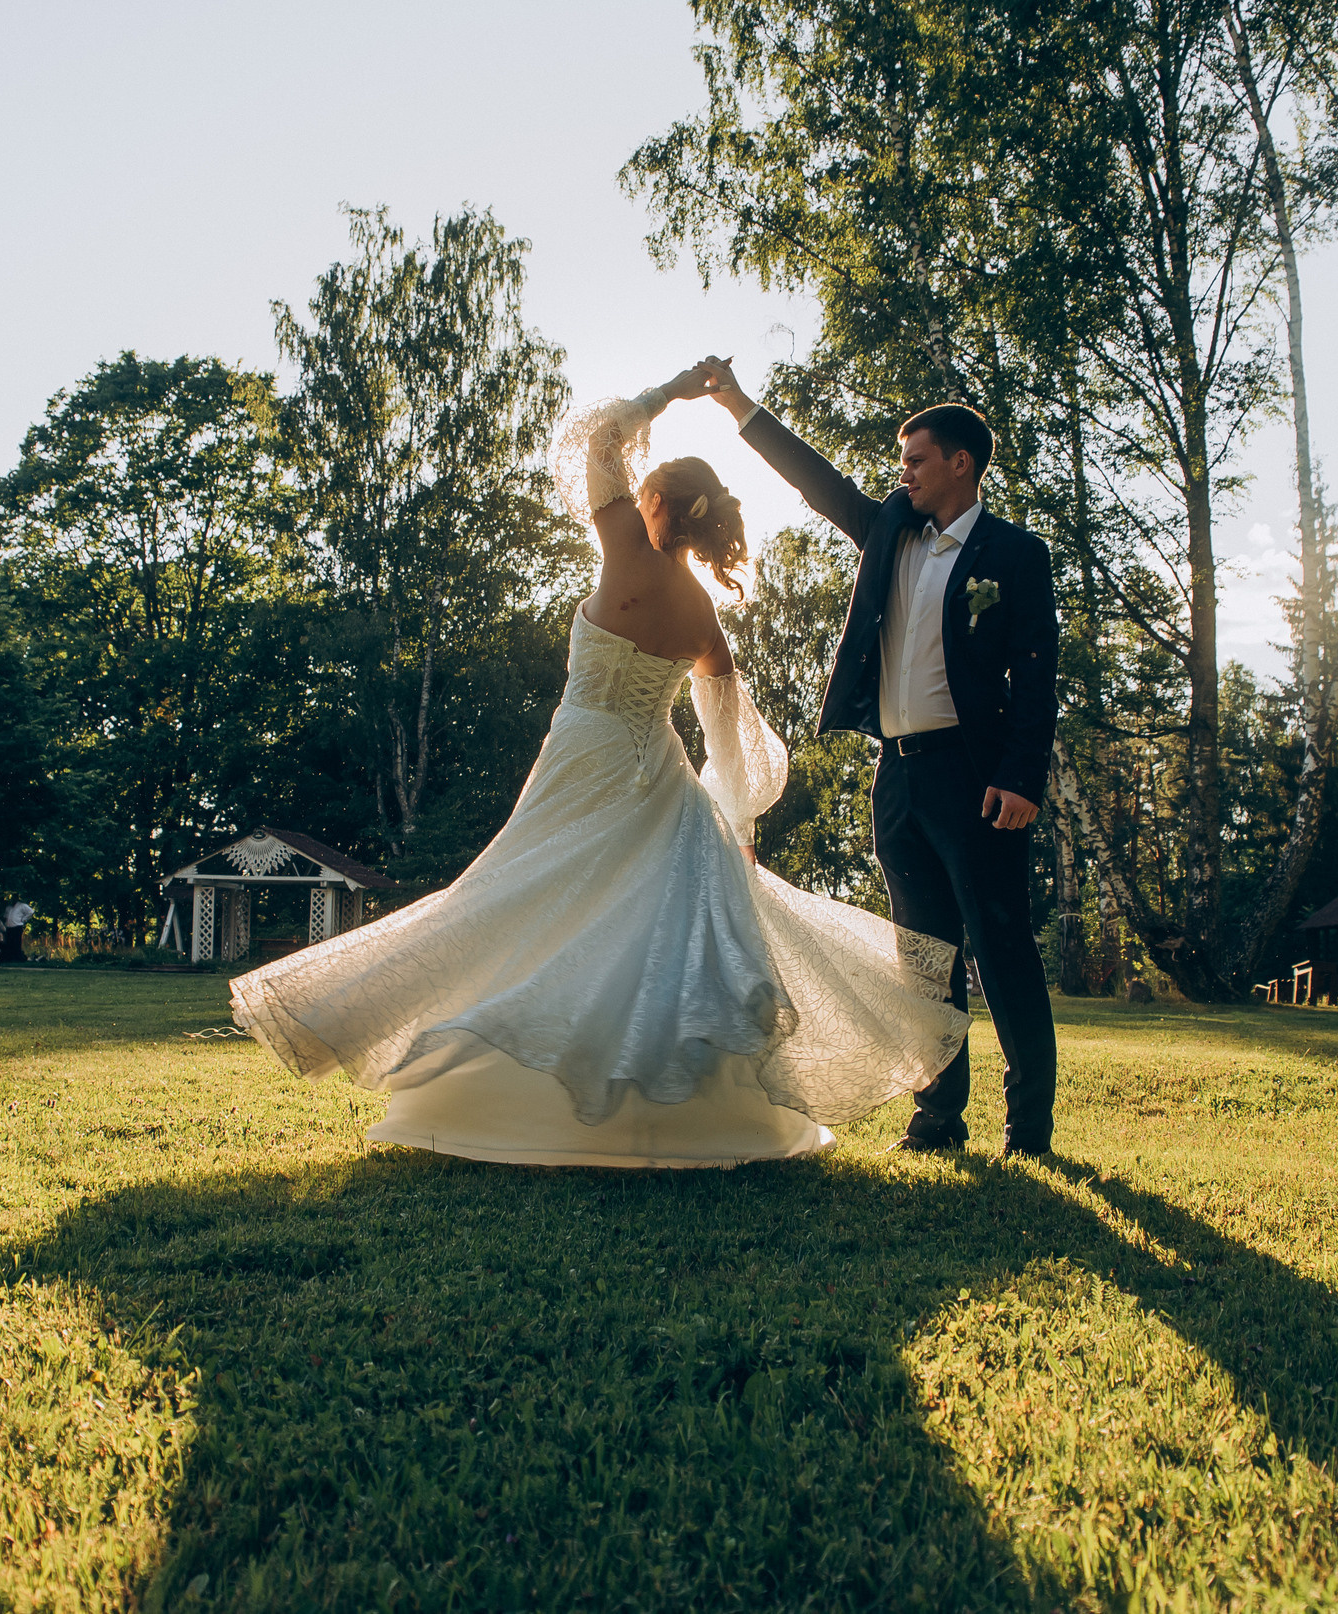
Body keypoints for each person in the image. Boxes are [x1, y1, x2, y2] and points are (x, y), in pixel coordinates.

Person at [230, 368, 969, 1167]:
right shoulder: (703, 617)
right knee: (643, 927)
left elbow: (598, 437)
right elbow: (731, 739)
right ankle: (683, 1115)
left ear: (657, 507)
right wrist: (736, 823)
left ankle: (501, 1083)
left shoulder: (622, 549)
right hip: (657, 771)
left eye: (646, 492)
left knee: (521, 900)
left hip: (582, 753)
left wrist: (673, 392)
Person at [692, 357, 1061, 1156]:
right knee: (923, 961)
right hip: (898, 775)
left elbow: (1038, 677)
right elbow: (817, 482)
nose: (906, 474)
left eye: (918, 460)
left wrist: (1020, 777)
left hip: (978, 775)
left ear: (961, 463)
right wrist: (737, 405)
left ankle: (1029, 1132)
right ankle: (937, 1123)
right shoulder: (891, 530)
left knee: (1001, 949)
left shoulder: (1014, 555)